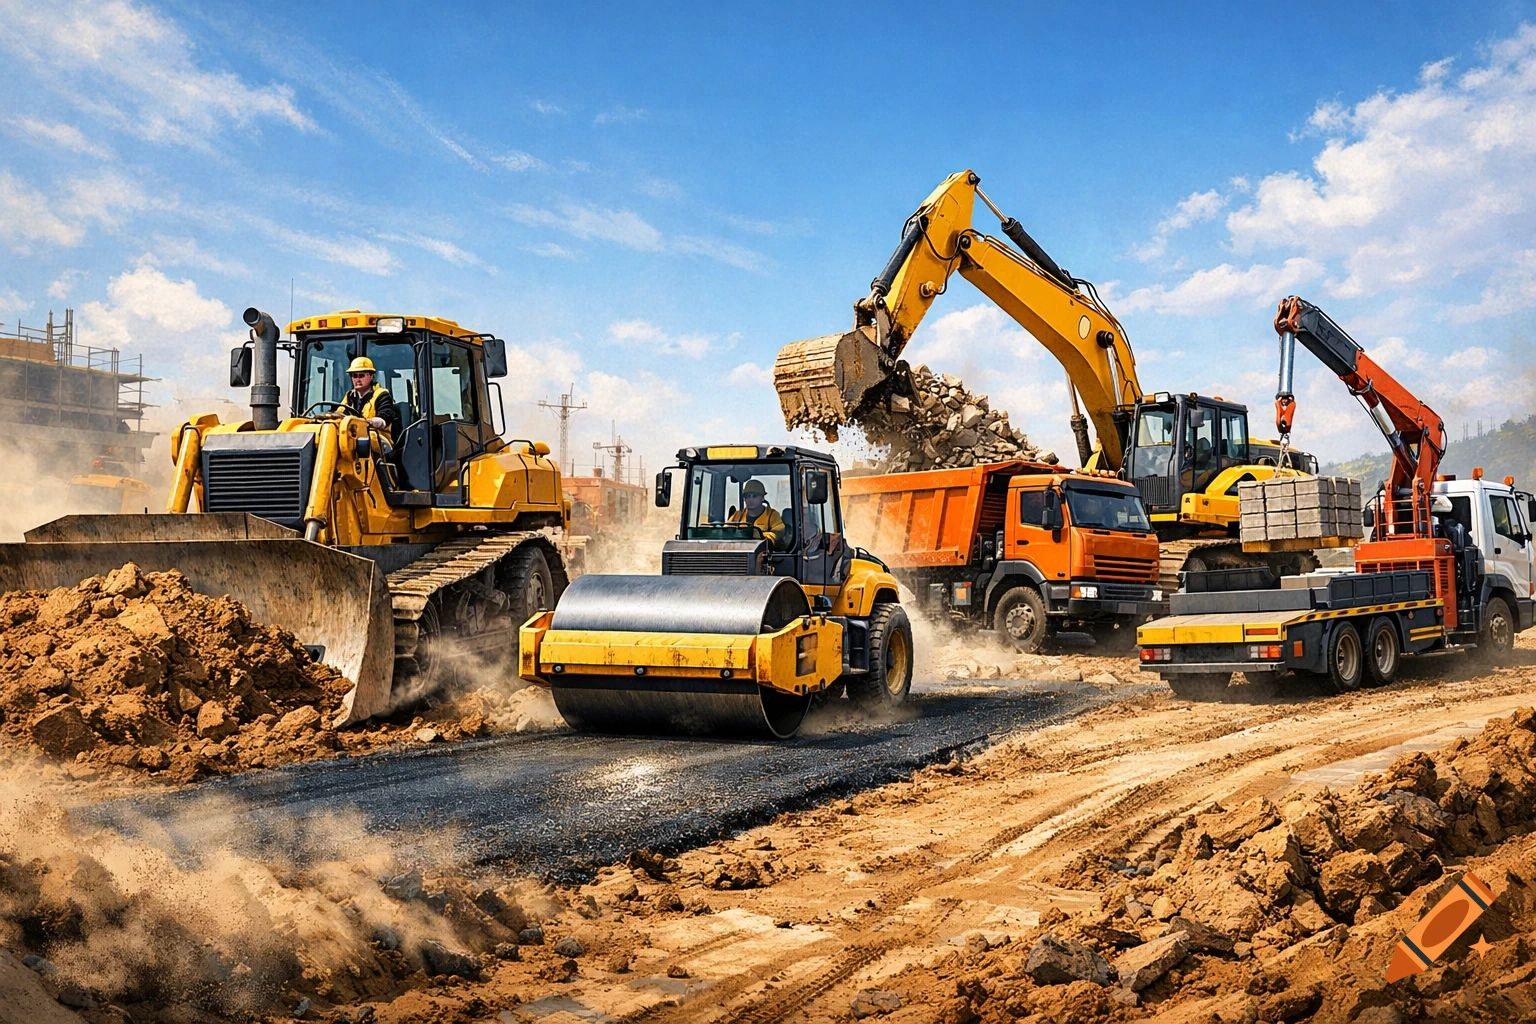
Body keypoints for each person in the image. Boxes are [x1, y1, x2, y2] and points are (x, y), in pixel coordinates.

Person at [340, 356, 402, 446]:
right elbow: (339, 413)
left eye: (361, 375)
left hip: (379, 443)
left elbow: (384, 419)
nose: (357, 379)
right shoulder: (349, 396)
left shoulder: (381, 395)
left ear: (371, 376)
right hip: (354, 440)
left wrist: (368, 422)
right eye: (354, 376)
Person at [728, 479, 788, 550]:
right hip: (741, 552)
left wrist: (758, 536)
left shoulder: (772, 515)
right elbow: (725, 532)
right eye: (747, 496)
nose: (750, 499)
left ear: (762, 498)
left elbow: (778, 533)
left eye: (754, 496)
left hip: (764, 555)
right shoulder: (738, 515)